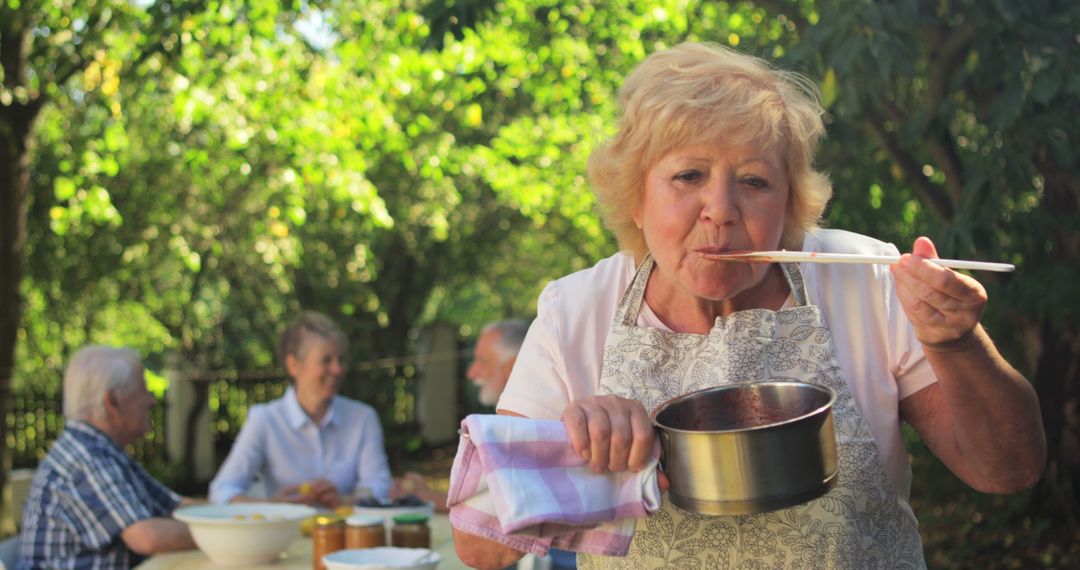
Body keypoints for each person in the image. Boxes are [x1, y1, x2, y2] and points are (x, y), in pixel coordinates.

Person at [452, 42, 1046, 569]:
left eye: (755, 182)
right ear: (635, 199)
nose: (721, 210)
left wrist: (956, 343)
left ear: (790, 205)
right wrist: (576, 450)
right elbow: (478, 548)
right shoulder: (575, 311)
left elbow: (1007, 471)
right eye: (688, 176)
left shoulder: (866, 279)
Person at [16, 346, 197, 569]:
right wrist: (229, 531)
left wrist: (238, 515)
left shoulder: (103, 450)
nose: (151, 400)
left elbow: (174, 505)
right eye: (144, 390)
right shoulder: (84, 456)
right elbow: (147, 536)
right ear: (113, 402)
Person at [209, 311, 392, 508]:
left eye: (341, 359)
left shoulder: (362, 418)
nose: (338, 370)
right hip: (284, 536)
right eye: (326, 360)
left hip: (347, 535)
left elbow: (380, 486)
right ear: (293, 365)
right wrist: (271, 504)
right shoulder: (265, 420)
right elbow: (222, 491)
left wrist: (345, 501)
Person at [392, 319, 531, 511]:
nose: (471, 373)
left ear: (513, 366)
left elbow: (500, 512)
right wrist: (427, 495)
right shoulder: (514, 423)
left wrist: (425, 496)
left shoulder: (529, 426)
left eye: (481, 360)